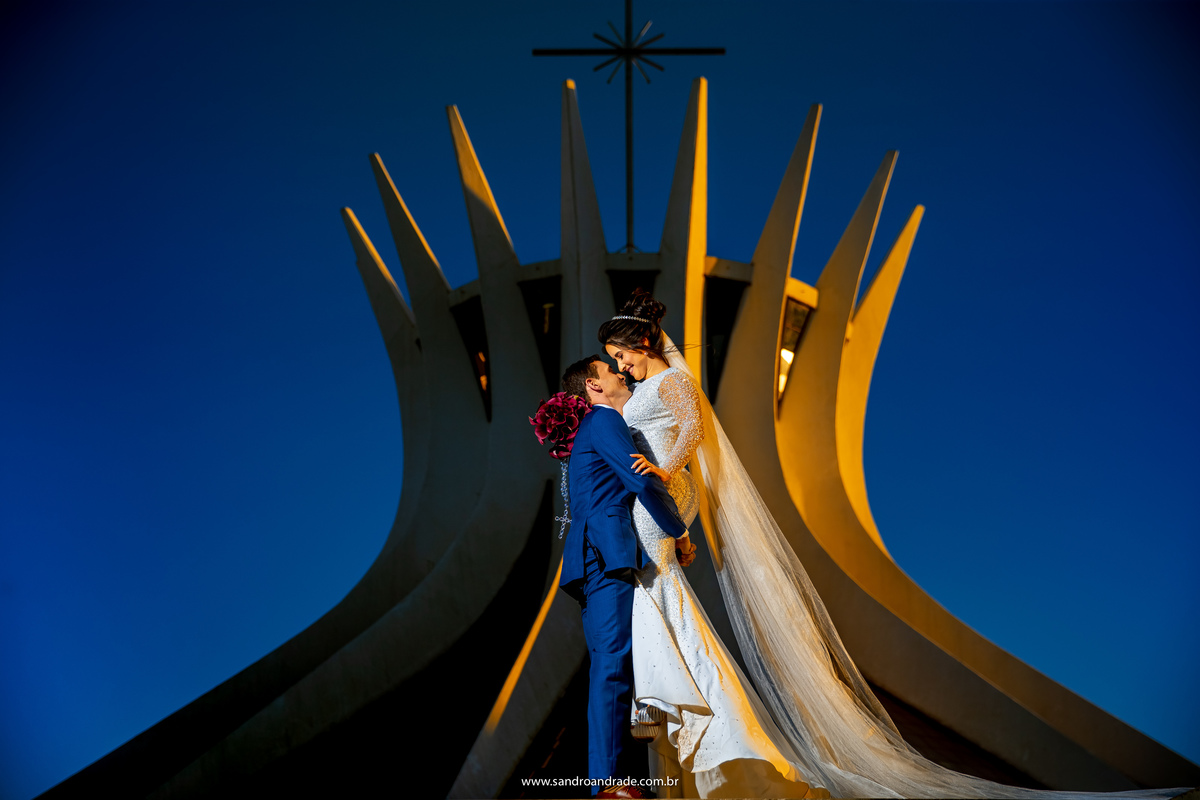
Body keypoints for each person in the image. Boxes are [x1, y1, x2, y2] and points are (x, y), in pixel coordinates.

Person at [591, 289, 1192, 800]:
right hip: (658, 494)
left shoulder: (672, 380)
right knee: (654, 584)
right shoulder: (639, 385)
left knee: (657, 582)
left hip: (667, 488)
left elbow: (693, 428)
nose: (619, 368)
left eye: (621, 356)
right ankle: (665, 698)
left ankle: (680, 699)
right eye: (613, 362)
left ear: (642, 345)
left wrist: (663, 471)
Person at [558, 355, 693, 799]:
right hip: (605, 552)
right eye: (609, 369)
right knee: (613, 662)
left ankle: (613, 779)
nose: (621, 372)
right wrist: (681, 533)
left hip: (592, 555)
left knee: (611, 663)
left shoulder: (592, 428)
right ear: (593, 387)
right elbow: (640, 481)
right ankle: (609, 785)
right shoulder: (603, 423)